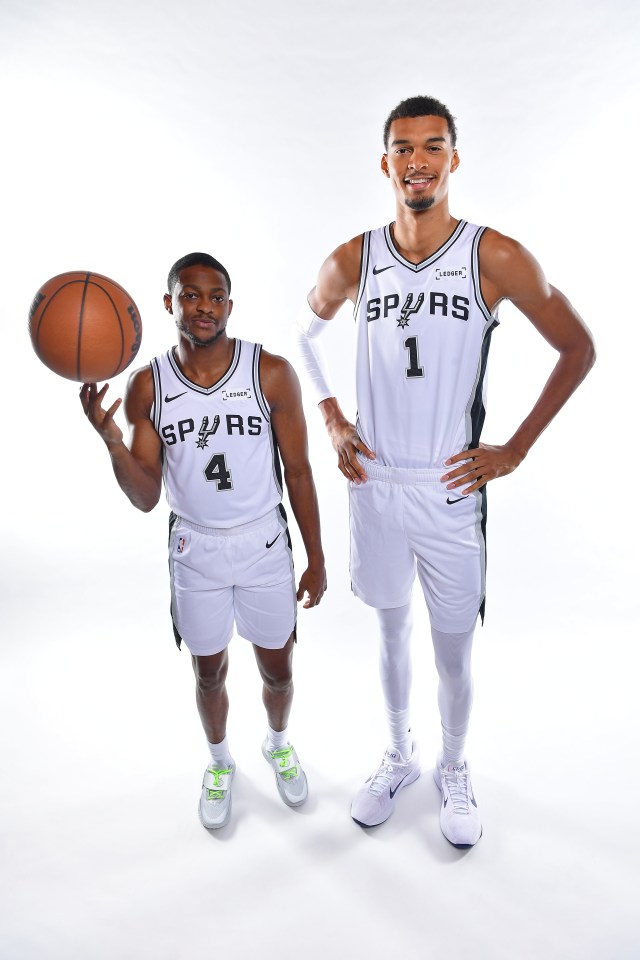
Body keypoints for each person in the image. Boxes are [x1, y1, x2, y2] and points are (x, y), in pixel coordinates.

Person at [296, 95, 595, 848]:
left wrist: (515, 447)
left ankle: (454, 767)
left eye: (433, 146)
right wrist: (332, 417)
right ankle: (400, 755)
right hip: (377, 483)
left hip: (451, 487)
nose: (418, 160)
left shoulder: (492, 255)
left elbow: (578, 348)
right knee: (391, 631)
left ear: (454, 159)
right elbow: (306, 334)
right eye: (404, 148)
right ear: (386, 163)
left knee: (453, 646)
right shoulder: (353, 259)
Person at [81, 252, 326, 830]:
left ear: (230, 306)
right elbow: (145, 497)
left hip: (264, 542)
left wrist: (315, 558)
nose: (204, 307)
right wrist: (113, 441)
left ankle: (278, 743)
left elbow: (300, 472)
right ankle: (219, 762)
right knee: (208, 672)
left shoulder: (270, 373)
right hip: (195, 549)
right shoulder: (148, 385)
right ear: (169, 304)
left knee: (279, 671)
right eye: (190, 295)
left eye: (215, 297)